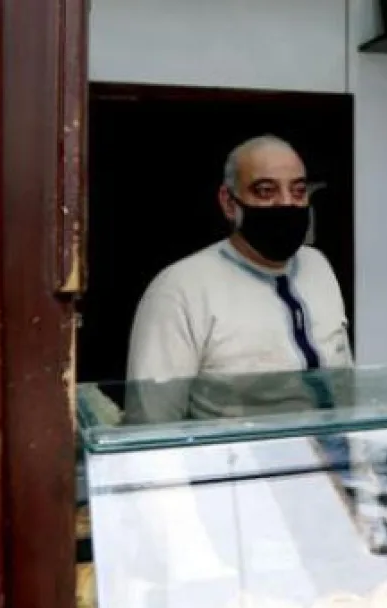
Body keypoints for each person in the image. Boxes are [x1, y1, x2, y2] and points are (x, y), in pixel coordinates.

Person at [125, 135, 353, 423]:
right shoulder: (181, 288)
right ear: (230, 204)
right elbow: (150, 424)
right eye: (266, 191)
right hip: (238, 464)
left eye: (297, 191)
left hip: (336, 461)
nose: (286, 203)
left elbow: (346, 388)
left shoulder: (318, 267)